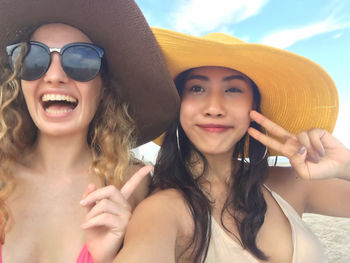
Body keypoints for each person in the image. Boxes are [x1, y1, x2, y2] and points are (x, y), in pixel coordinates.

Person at [114, 28, 350, 263]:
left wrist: (344, 164)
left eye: (233, 89)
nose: (214, 107)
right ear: (179, 104)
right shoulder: (163, 210)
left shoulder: (293, 184)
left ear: (254, 107)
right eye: (197, 88)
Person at [0, 1, 179, 262]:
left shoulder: (134, 187)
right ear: (19, 79)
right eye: (33, 58)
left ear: (104, 88)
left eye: (80, 59)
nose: (54, 76)